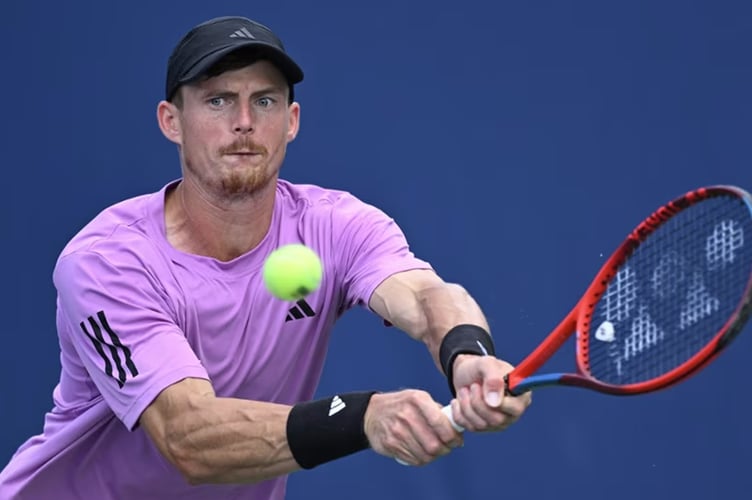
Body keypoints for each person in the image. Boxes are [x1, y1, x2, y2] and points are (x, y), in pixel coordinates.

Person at [0, 15, 531, 500]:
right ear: (171, 121)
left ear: (292, 120)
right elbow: (189, 437)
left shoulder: (334, 223)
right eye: (217, 100)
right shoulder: (107, 263)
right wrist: (363, 418)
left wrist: (468, 355)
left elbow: (424, 295)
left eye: (266, 101)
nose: (245, 122)